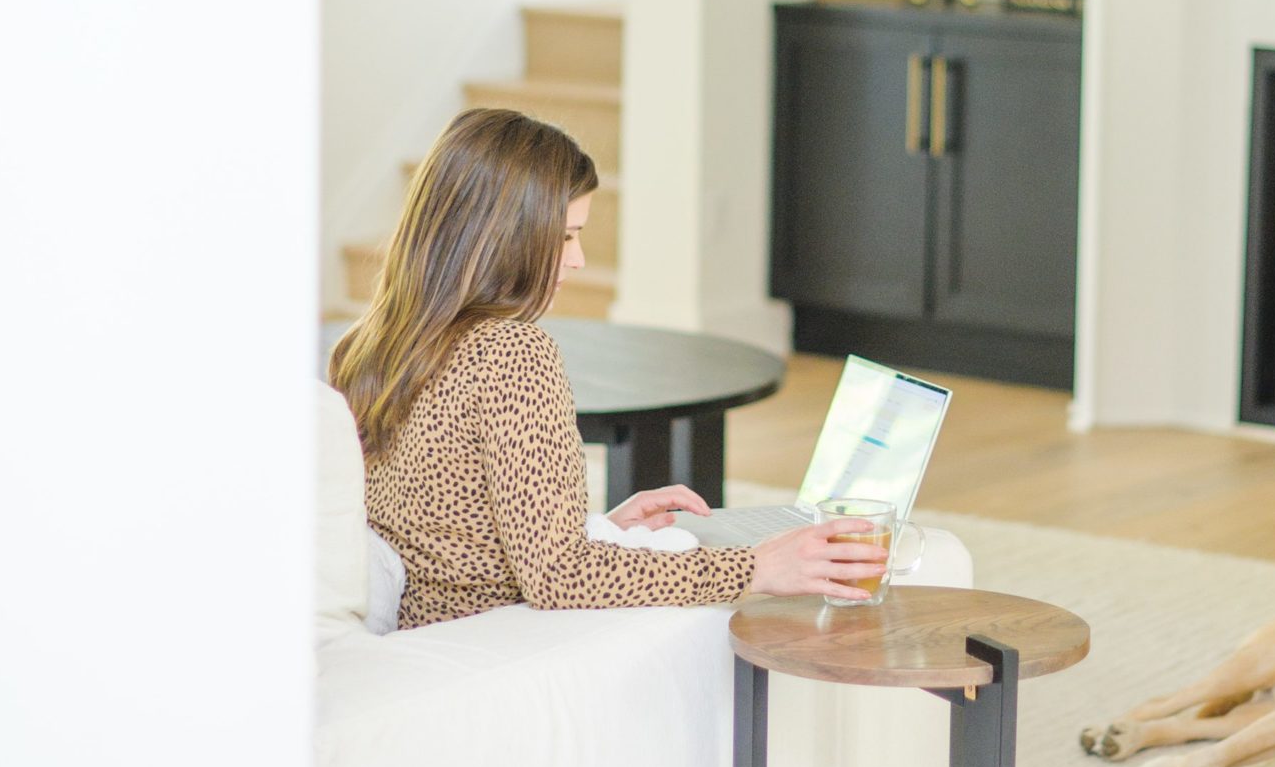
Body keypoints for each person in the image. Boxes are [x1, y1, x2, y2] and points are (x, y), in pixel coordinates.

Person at [329, 105, 887, 628]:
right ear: (501, 236)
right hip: (497, 641)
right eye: (565, 236)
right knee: (747, 608)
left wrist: (596, 530)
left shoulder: (369, 344)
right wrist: (754, 569)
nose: (577, 258)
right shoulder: (511, 352)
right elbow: (559, 578)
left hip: (419, 626)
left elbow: (445, 536)